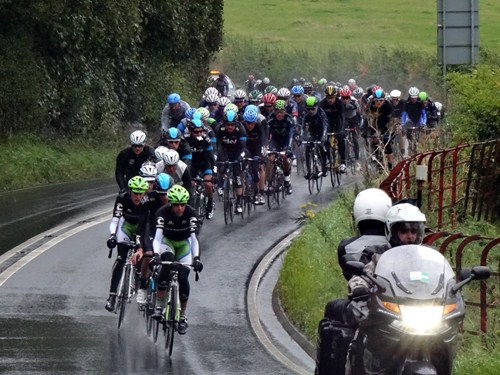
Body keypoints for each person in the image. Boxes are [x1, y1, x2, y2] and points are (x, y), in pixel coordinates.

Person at [315, 202, 426, 375]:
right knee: (361, 329)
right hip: (384, 308)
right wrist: (359, 286)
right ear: (392, 231)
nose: (409, 236)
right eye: (404, 231)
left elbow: (441, 277)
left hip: (418, 311)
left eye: (413, 231)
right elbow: (361, 274)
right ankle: (354, 368)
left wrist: (453, 291)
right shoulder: (377, 254)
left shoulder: (427, 256)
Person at [151, 185, 203, 335]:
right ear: (170, 204)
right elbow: (157, 238)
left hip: (183, 245)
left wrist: (197, 258)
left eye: (182, 204)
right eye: (176, 205)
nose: (179, 208)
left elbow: (194, 240)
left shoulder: (191, 213)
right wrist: (155, 255)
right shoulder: (162, 213)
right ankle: (159, 305)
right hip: (168, 243)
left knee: (183, 277)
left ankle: (182, 316)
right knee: (166, 266)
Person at [105, 176, 149, 312]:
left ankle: (138, 281)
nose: (138, 196)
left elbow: (148, 225)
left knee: (142, 258)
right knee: (120, 259)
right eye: (135, 193)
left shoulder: (148, 201)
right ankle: (112, 296)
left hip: (141, 229)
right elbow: (115, 219)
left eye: (141, 193)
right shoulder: (122, 198)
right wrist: (112, 235)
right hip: (126, 227)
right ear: (130, 191)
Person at [135, 172, 173, 305]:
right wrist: (140, 243)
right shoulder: (148, 199)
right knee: (148, 255)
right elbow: (142, 221)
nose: (165, 197)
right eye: (161, 194)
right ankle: (143, 287)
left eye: (167, 193)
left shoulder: (177, 199)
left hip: (169, 233)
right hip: (152, 231)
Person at [215, 109, 247, 213]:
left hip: (237, 151)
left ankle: (238, 202)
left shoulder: (241, 129)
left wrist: (241, 156)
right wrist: (217, 157)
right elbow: (217, 145)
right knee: (221, 167)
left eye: (232, 125)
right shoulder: (220, 128)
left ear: (236, 124)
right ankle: (221, 185)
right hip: (225, 151)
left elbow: (243, 146)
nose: (229, 127)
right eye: (227, 124)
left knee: (237, 176)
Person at [184, 117, 216, 219]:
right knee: (190, 184)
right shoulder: (186, 139)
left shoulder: (206, 139)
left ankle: (210, 203)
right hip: (192, 164)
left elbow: (211, 156)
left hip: (204, 162)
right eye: (196, 132)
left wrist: (214, 172)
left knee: (208, 184)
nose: (199, 134)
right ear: (190, 131)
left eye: (200, 131)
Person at [267, 99, 295, 194]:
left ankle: (287, 181)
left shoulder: (289, 119)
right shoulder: (270, 118)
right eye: (277, 112)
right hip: (275, 140)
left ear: (285, 112)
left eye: (281, 112)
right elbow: (267, 133)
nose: (279, 114)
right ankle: (270, 183)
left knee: (284, 157)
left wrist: (289, 147)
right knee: (270, 158)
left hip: (286, 140)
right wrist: (265, 146)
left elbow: (291, 134)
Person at [242, 105, 267, 204]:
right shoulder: (242, 126)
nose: (250, 126)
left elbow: (263, 140)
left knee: (256, 169)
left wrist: (262, 153)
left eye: (252, 123)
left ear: (255, 122)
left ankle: (258, 193)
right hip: (246, 148)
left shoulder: (259, 126)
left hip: (256, 148)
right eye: (248, 123)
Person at [320, 85, 346, 172]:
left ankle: (343, 162)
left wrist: (342, 129)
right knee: (325, 141)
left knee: (341, 139)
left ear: (335, 97)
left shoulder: (339, 103)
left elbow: (343, 116)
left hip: (338, 122)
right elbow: (320, 118)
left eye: (332, 97)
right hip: (327, 123)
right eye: (328, 98)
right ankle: (327, 160)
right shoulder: (322, 104)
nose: (330, 100)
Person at [303, 96, 328, 179]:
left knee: (321, 146)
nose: (310, 111)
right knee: (307, 147)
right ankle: (309, 171)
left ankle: (324, 166)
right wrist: (302, 137)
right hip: (312, 131)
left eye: (313, 109)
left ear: (317, 107)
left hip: (321, 131)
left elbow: (325, 126)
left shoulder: (321, 114)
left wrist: (323, 137)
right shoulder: (306, 115)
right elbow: (303, 128)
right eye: (308, 109)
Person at [339, 87, 361, 167]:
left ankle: (357, 158)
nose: (345, 100)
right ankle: (344, 156)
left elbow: (359, 112)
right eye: (343, 98)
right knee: (342, 135)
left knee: (355, 138)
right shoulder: (338, 101)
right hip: (344, 119)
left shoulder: (354, 100)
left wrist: (359, 126)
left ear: (349, 97)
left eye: (346, 98)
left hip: (353, 119)